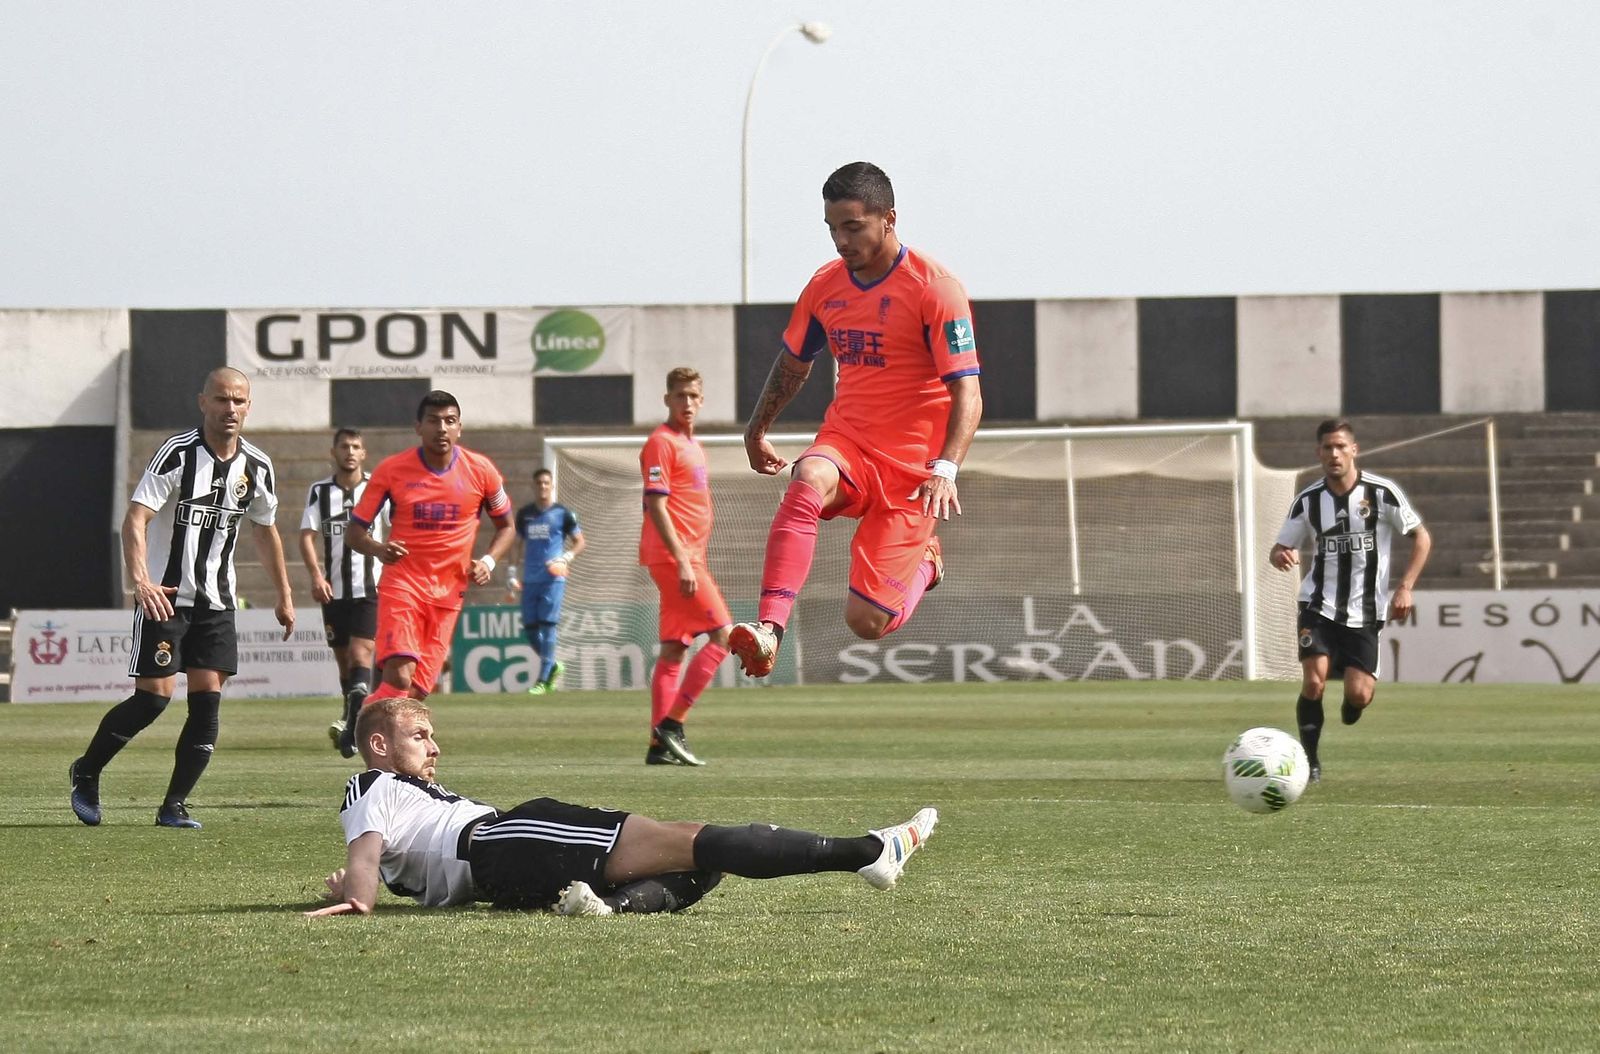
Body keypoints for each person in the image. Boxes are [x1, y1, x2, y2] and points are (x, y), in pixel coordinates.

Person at [303, 696, 937, 918]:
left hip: (501, 873)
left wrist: (361, 883)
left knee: (705, 866)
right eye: (420, 737)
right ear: (378, 746)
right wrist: (357, 892)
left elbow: (384, 856)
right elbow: (367, 854)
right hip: (502, 839)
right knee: (692, 840)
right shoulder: (370, 784)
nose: (435, 747)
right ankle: (867, 852)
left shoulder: (400, 795)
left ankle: (606, 906)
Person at [730, 161, 984, 679]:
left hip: (912, 472)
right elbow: (794, 363)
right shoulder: (826, 285)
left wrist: (945, 470)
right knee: (807, 477)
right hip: (849, 443)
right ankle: (770, 629)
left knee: (866, 622)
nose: (840, 241)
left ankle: (927, 562)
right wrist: (757, 429)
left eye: (852, 227)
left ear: (889, 219)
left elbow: (969, 392)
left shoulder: (936, 289)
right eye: (832, 229)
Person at [69, 367, 295, 830]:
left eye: (238, 401)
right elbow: (136, 518)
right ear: (203, 402)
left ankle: (173, 806)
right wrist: (141, 580)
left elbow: (265, 529)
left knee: (207, 701)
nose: (230, 408)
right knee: (153, 699)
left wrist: (285, 594)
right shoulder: (177, 452)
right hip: (166, 597)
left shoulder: (258, 466)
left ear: (248, 407)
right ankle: (86, 771)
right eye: (221, 399)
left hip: (218, 601)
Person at [341, 391, 515, 737]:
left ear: (460, 427)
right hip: (403, 584)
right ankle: (375, 750)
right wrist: (379, 549)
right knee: (400, 675)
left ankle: (360, 718)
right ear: (418, 427)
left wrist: (488, 561)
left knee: (416, 692)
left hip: (449, 594)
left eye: (450, 421)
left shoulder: (482, 471)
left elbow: (507, 526)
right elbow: (354, 533)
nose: (442, 428)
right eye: (434, 421)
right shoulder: (392, 470)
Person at [1270, 418, 1432, 783]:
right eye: (1328, 447)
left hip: (1365, 610)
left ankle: (1352, 701)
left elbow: (1421, 537)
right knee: (1314, 683)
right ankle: (1309, 762)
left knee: (1359, 695)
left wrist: (1405, 587)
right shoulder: (1309, 500)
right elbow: (1280, 547)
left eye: (1341, 446)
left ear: (1354, 450)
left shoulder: (1381, 492)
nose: (1334, 454)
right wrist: (1280, 554)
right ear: (1319, 453)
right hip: (1318, 604)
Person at [639, 366, 732, 766]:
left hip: (687, 557)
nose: (687, 403)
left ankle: (659, 746)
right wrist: (682, 560)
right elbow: (656, 504)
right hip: (675, 558)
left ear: (702, 400)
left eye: (693, 396)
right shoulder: (661, 443)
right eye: (680, 395)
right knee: (724, 636)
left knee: (675, 649)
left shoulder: (692, 444)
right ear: (667, 399)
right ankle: (673, 723)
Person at [299, 427, 388, 756]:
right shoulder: (320, 491)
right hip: (333, 591)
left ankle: (352, 728)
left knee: (360, 655)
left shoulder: (377, 488)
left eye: (355, 447)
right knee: (344, 664)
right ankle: (352, 717)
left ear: (364, 453)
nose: (350, 452)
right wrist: (316, 576)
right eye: (344, 446)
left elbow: (396, 526)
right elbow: (306, 536)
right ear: (333, 452)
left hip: (369, 588)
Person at [505, 467, 585, 695]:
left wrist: (566, 557)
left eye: (546, 483)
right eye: (539, 483)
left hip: (553, 580)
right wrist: (511, 572)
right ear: (533, 486)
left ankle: (543, 679)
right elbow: (517, 544)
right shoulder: (525, 514)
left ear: (552, 485)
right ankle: (553, 665)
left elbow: (580, 541)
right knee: (530, 628)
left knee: (548, 626)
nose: (542, 486)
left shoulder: (562, 513)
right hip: (530, 580)